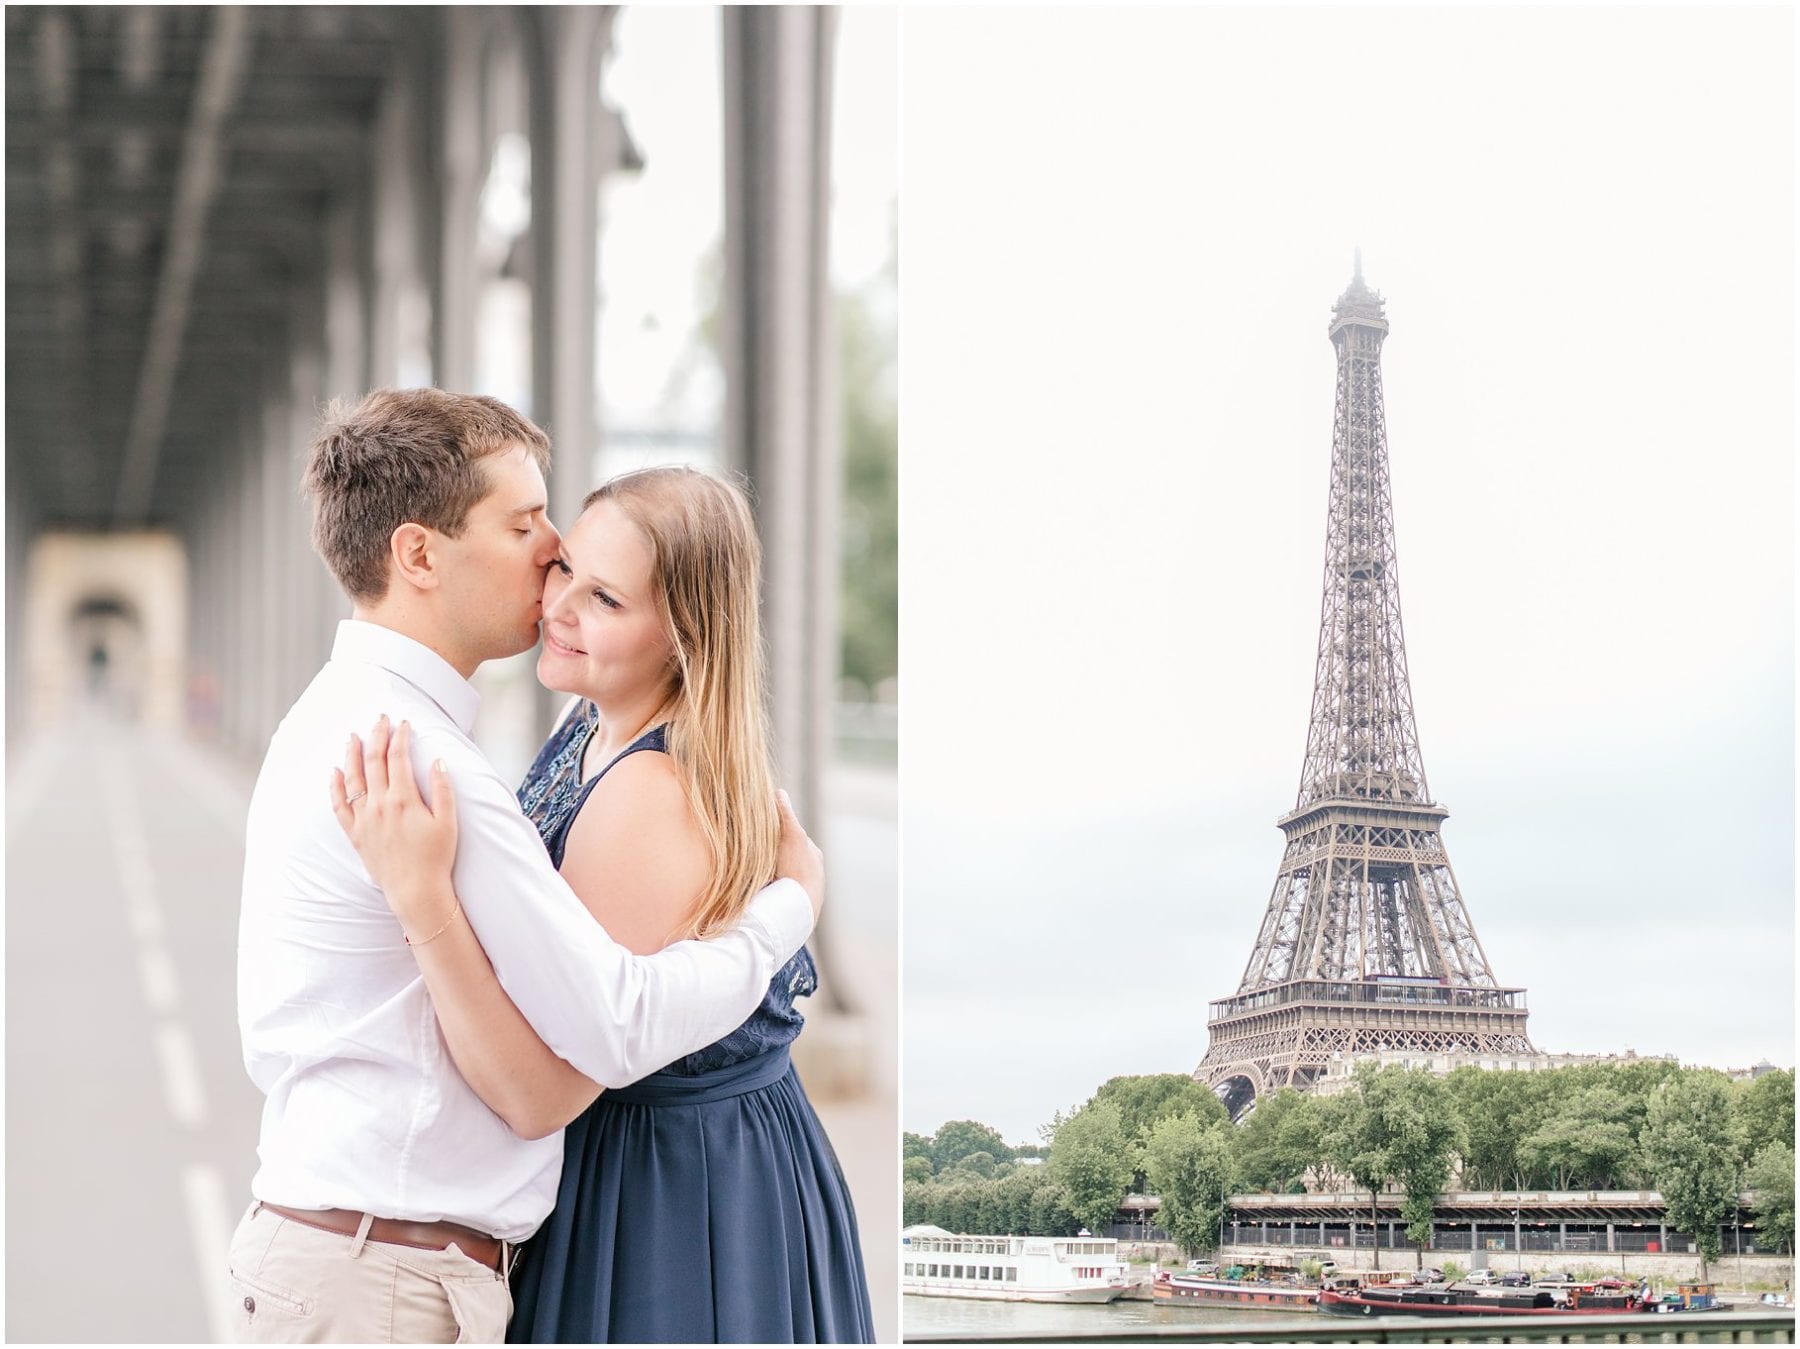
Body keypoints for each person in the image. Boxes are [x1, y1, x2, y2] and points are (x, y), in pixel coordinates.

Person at [232, 389, 824, 1344]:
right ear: (419, 553)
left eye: (598, 581)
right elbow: (603, 1035)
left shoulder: (341, 715)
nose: (551, 552)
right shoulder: (426, 763)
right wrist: (788, 912)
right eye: (524, 523)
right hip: (382, 1274)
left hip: (366, 1253)